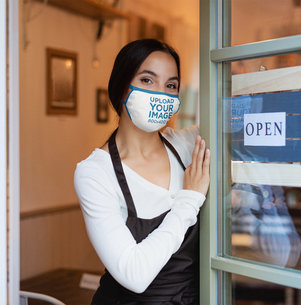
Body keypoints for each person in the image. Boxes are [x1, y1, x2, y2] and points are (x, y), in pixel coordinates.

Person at [74, 39, 210, 305]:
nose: (161, 92)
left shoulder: (183, 146)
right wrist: (189, 199)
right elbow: (134, 274)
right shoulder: (94, 173)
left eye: (171, 85)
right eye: (148, 80)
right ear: (122, 85)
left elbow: (234, 120)